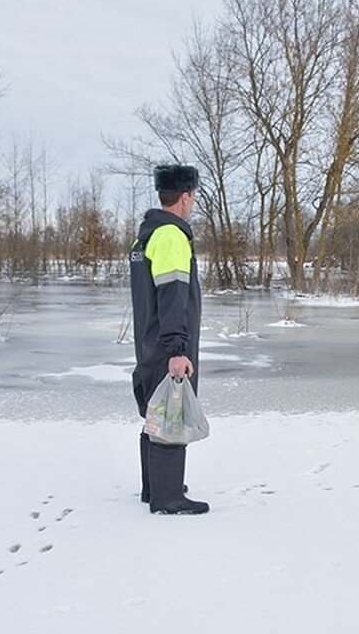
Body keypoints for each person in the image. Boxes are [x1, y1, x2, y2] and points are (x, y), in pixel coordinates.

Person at [130, 164, 209, 515]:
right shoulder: (172, 236)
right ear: (185, 195)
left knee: (155, 410)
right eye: (192, 195)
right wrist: (178, 348)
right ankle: (168, 498)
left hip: (148, 338)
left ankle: (155, 488)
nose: (192, 202)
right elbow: (173, 295)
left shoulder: (145, 235)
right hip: (167, 342)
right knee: (172, 412)